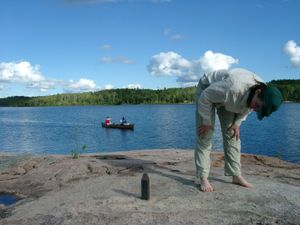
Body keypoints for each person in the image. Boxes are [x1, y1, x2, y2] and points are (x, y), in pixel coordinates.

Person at [195, 68, 283, 192]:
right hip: (208, 90)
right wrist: (206, 121)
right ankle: (203, 177)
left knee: (233, 134)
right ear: (257, 92)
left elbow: (248, 108)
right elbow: (205, 97)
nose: (255, 109)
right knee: (205, 134)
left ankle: (235, 175)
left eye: (259, 110)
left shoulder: (262, 93)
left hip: (231, 98)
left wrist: (237, 123)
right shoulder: (233, 88)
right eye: (257, 106)